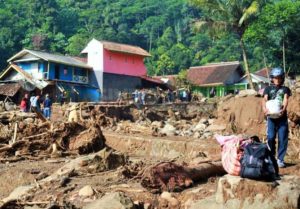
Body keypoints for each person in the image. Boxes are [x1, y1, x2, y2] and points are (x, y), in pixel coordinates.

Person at [262, 67, 291, 168]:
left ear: (282, 78)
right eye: (275, 78)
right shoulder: (268, 89)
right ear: (272, 78)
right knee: (270, 137)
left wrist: (284, 109)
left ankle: (280, 159)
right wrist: (264, 109)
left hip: (281, 117)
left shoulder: (285, 89)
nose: (277, 80)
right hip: (271, 118)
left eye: (279, 78)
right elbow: (264, 100)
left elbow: (285, 99)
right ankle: (271, 158)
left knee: (282, 138)